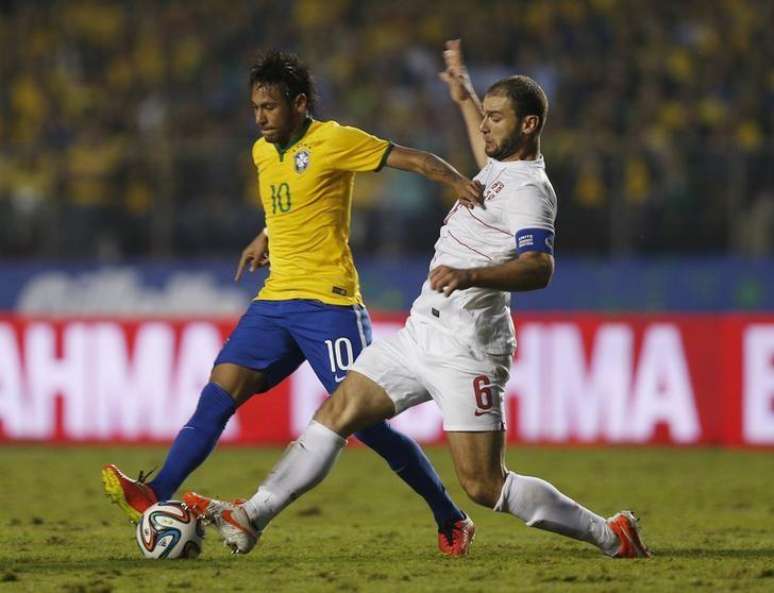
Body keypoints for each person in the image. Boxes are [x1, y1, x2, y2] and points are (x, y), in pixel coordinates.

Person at [182, 40, 651, 559]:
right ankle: (250, 517)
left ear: (529, 126)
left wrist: (472, 274)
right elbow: (483, 145)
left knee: (484, 484)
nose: (485, 127)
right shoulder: (497, 167)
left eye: (496, 118)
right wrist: (464, 94)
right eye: (485, 117)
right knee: (337, 413)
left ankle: (611, 535)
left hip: (468, 347)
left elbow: (540, 267)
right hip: (420, 331)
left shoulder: (529, 191)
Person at [102, 50, 484, 556]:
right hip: (275, 301)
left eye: (269, 106)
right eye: (255, 106)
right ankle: (158, 491)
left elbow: (412, 158)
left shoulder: (334, 140)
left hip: (329, 305)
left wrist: (458, 182)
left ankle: (451, 517)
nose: (260, 116)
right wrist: (264, 236)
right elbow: (292, 205)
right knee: (218, 394)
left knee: (365, 424)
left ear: (299, 104)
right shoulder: (263, 152)